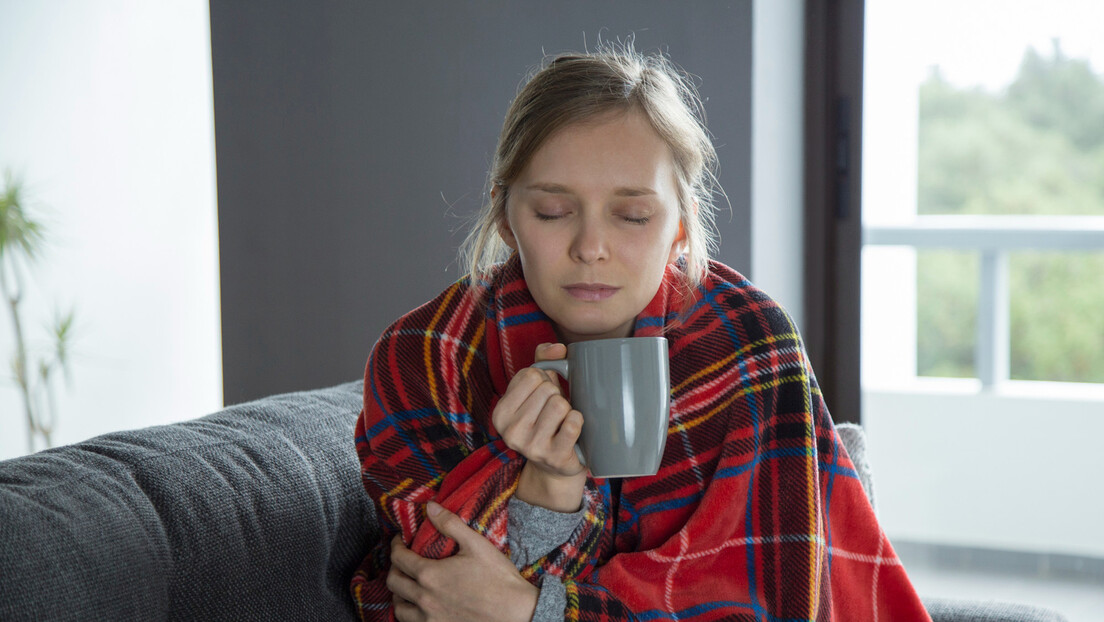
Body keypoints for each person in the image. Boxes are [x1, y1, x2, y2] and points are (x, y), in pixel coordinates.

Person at [351, 44, 931, 621]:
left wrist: (538, 612)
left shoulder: (746, 338)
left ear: (680, 227)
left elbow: (776, 599)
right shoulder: (425, 355)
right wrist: (545, 487)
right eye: (553, 211)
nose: (591, 249)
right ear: (506, 216)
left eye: (632, 217)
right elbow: (429, 595)